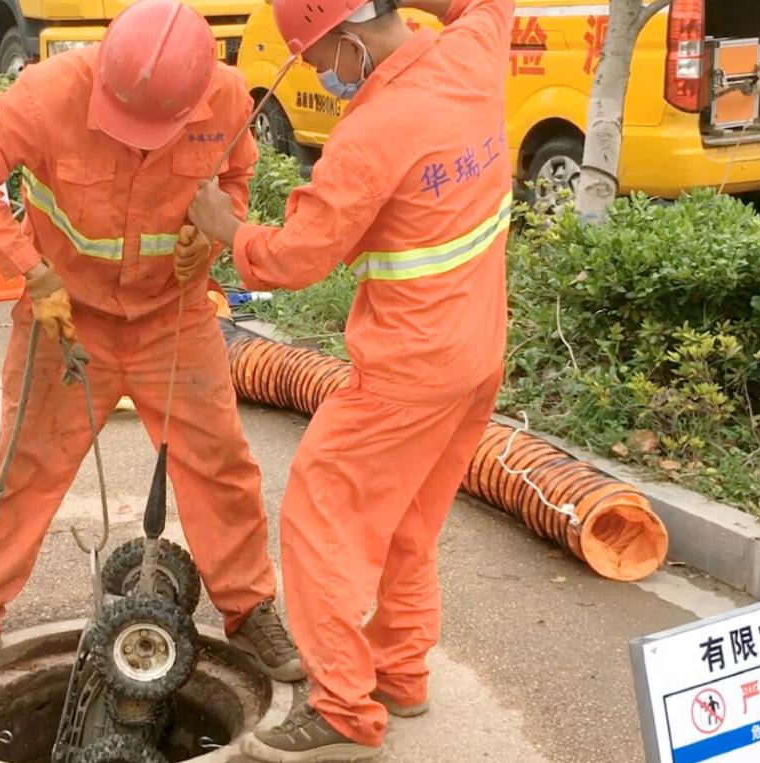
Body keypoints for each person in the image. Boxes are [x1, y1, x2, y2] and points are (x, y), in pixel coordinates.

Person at [0, 0, 303, 688]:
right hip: (67, 321)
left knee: (221, 470)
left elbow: (233, 177)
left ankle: (248, 607)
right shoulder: (46, 95)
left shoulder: (225, 97)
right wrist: (33, 270)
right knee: (21, 472)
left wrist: (208, 230)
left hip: (172, 319)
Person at [186, 0, 514, 758]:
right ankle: (398, 671)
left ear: (350, 41)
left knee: (320, 518)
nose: (317, 72)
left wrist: (226, 228)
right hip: (476, 349)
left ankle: (342, 708)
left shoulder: (370, 133)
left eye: (315, 55)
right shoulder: (469, 53)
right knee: (405, 518)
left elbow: (296, 259)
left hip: (407, 367)